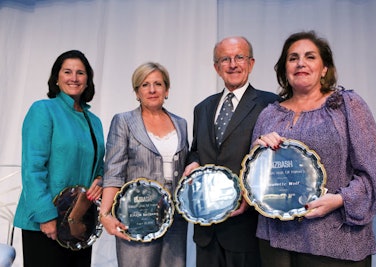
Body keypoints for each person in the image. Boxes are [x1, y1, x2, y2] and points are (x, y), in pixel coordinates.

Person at [252, 31, 376, 267]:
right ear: (285, 68)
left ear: (324, 68)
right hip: (276, 244)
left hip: (335, 241)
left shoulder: (347, 106)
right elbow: (255, 180)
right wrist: (258, 152)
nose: (300, 63)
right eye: (293, 58)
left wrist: (339, 200)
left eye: (310, 57)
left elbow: (373, 174)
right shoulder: (269, 114)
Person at [183, 36, 280, 267]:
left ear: (251, 63)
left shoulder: (271, 104)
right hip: (206, 229)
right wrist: (193, 162)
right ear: (217, 68)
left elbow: (273, 163)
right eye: (225, 59)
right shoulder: (203, 107)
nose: (233, 64)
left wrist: (249, 193)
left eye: (239, 57)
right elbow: (196, 150)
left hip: (245, 227)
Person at [13, 50, 105, 267]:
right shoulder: (43, 110)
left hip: (80, 222)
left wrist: (100, 180)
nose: (74, 77)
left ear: (87, 80)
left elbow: (99, 165)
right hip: (46, 222)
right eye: (67, 71)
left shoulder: (94, 120)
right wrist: (45, 216)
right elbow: (32, 168)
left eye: (80, 73)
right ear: (57, 77)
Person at [99, 62, 189, 267]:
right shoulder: (123, 121)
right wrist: (105, 214)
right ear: (137, 91)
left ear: (166, 90)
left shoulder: (181, 123)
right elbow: (114, 170)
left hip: (174, 219)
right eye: (145, 84)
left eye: (158, 84)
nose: (152, 89)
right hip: (136, 215)